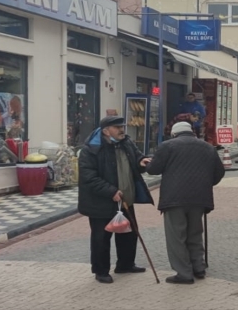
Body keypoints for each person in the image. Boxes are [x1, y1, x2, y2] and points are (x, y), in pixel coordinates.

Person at [77, 116, 154, 284]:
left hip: (126, 199)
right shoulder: (91, 149)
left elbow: (137, 157)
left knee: (129, 233)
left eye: (122, 126)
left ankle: (125, 264)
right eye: (117, 127)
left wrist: (142, 161)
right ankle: (101, 271)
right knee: (101, 238)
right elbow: (88, 177)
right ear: (106, 131)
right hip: (101, 201)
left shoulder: (126, 143)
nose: (122, 130)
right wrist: (110, 190)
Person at [146, 121, 225, 284]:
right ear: (191, 132)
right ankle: (199, 267)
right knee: (195, 233)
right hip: (199, 198)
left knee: (177, 236)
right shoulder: (208, 147)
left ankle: (184, 273)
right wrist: (205, 184)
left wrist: (147, 163)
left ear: (174, 134)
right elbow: (219, 172)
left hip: (174, 199)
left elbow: (154, 169)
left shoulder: (167, 146)